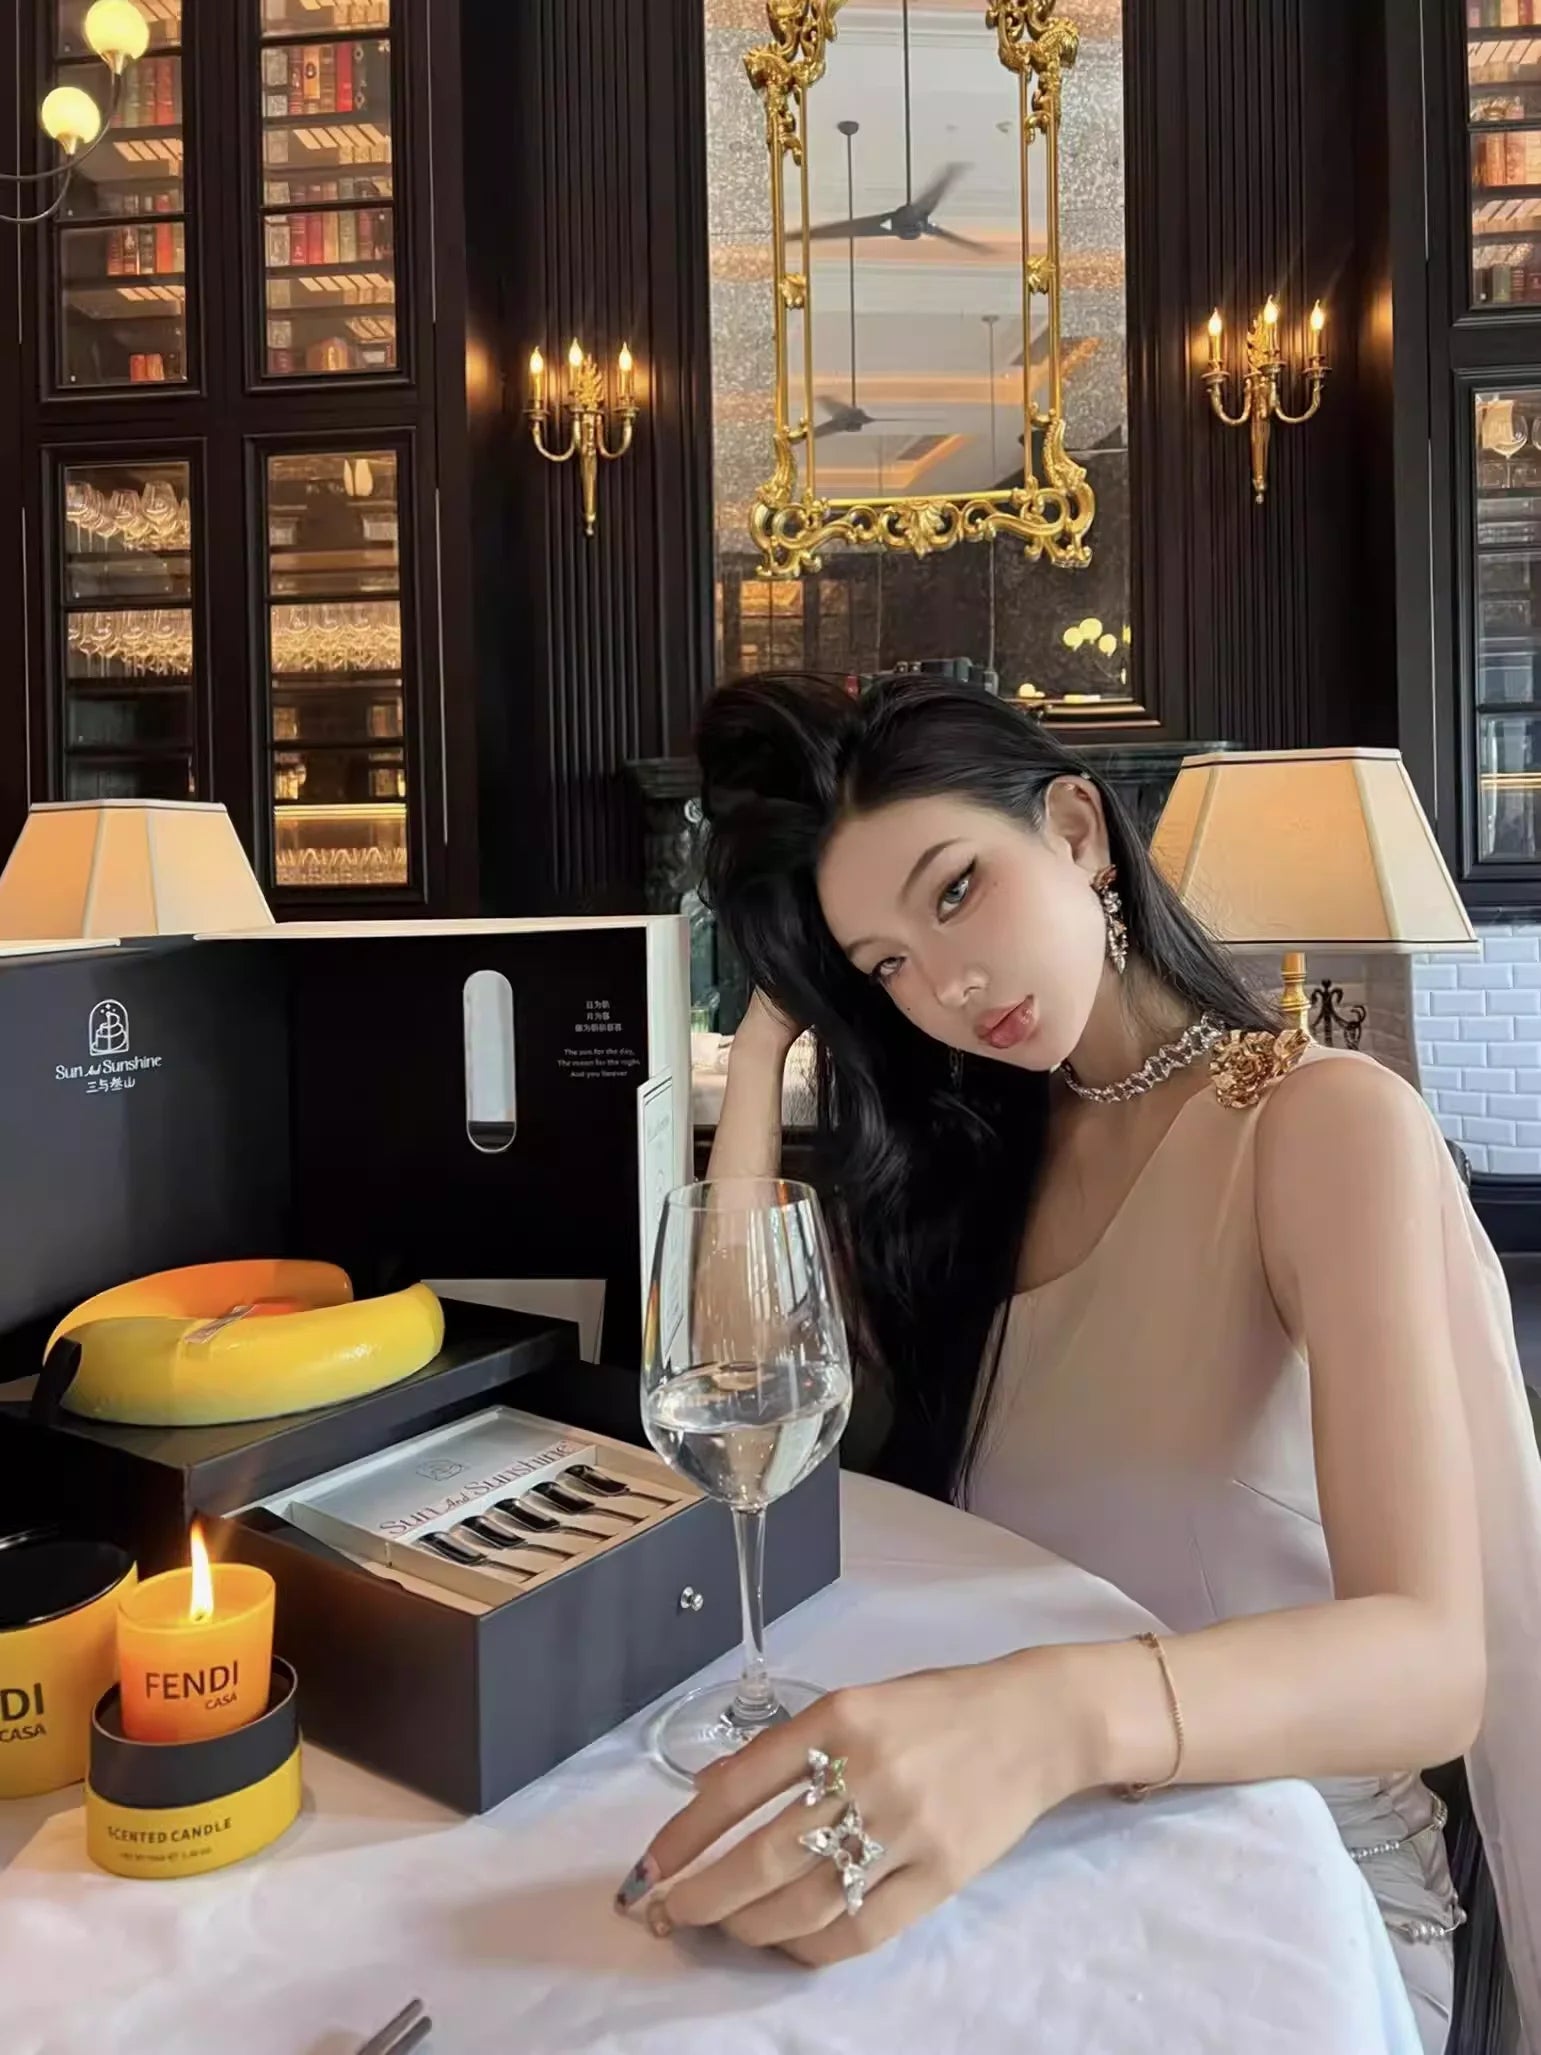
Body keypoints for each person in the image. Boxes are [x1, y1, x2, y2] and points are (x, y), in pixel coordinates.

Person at [614, 673, 1541, 2055]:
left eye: (954, 892)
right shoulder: (977, 1170)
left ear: (1076, 830)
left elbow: (1432, 1663)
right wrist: (762, 1042)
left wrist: (1050, 1718)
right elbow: (734, 1391)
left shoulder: (1316, 1127)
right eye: (883, 966)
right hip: (1032, 1835)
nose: (946, 986)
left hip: (1299, 1885)